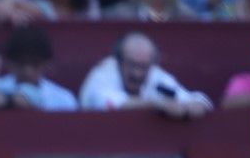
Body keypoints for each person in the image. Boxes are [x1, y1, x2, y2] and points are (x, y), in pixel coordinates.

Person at [78, 31, 212, 117]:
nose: (137, 74)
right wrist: (155, 104)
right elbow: (109, 103)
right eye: (132, 65)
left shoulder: (155, 75)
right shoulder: (104, 73)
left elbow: (196, 99)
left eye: (143, 67)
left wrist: (196, 107)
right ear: (118, 61)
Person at [0, 25, 77, 110]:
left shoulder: (63, 99)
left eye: (35, 64)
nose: (27, 71)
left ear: (47, 65)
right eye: (20, 63)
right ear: (9, 63)